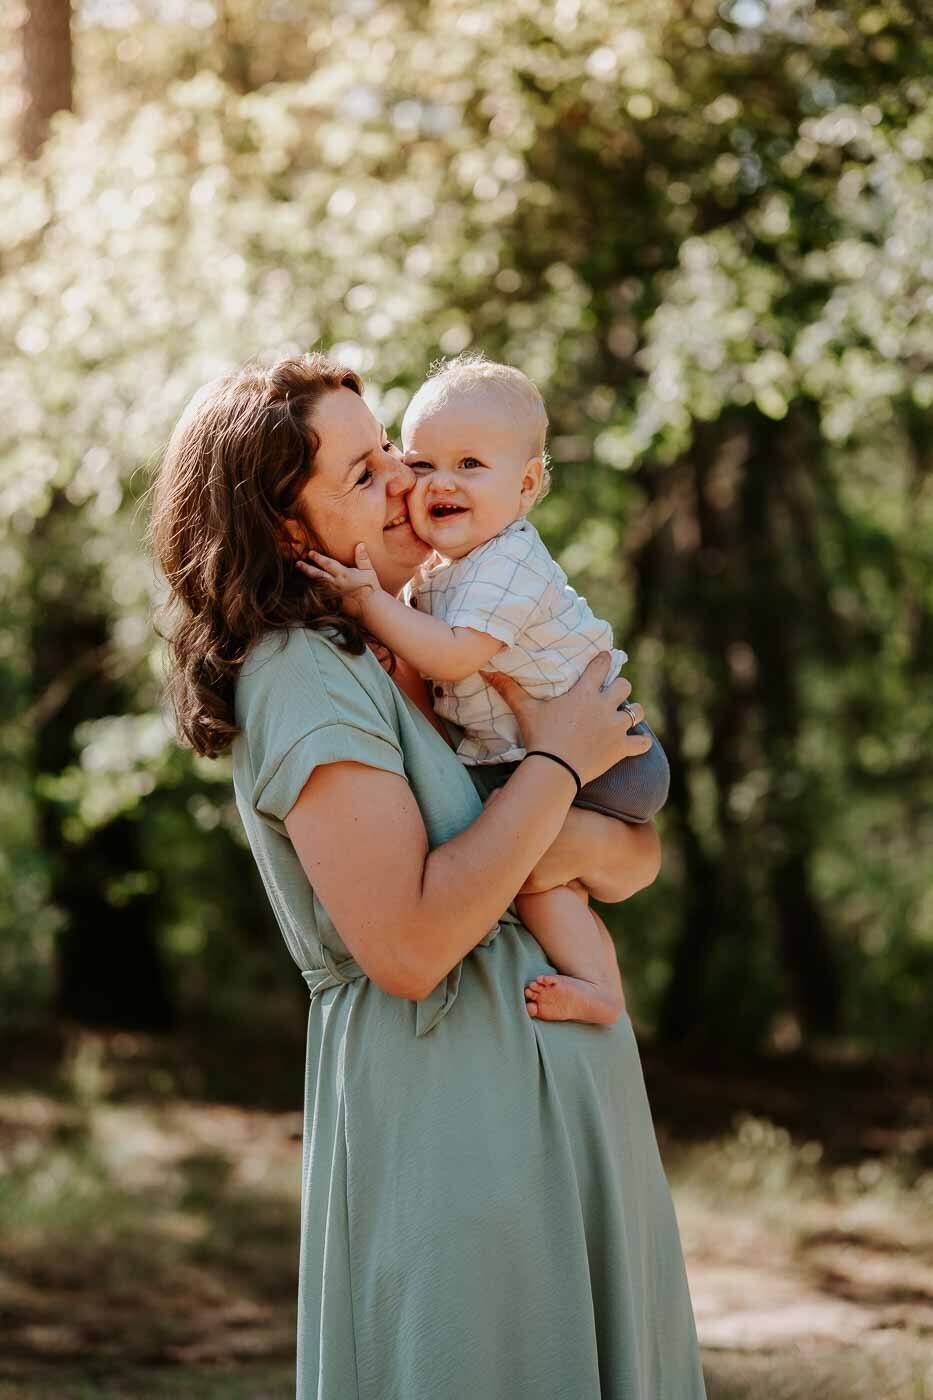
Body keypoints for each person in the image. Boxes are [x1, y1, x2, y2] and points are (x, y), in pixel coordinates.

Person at [148, 351, 708, 1400]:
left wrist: (566, 804)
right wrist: (557, 765)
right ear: (283, 528)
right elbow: (407, 947)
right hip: (454, 1120)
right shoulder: (306, 674)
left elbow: (632, 855)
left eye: (396, 454)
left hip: (564, 1097)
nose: (409, 482)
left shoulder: (431, 635)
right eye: (364, 474)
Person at [298, 353, 670, 1028]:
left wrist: (367, 604)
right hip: (555, 757)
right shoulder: (437, 581)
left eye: (470, 465)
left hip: (608, 761)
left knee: (532, 869)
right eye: (420, 462)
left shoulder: (503, 566)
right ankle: (602, 988)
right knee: (539, 878)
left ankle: (602, 987)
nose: (434, 482)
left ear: (526, 486)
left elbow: (455, 654)